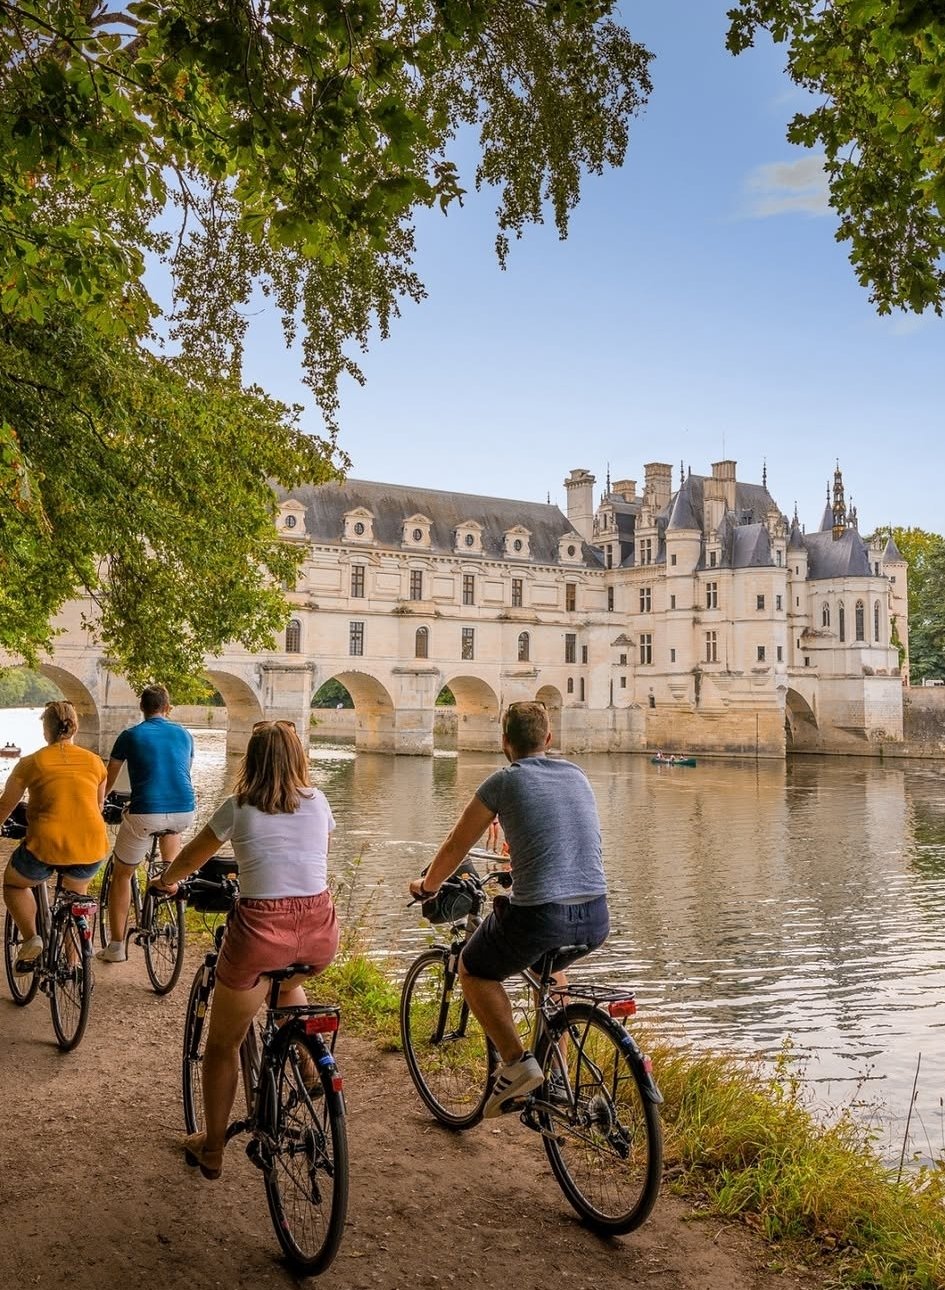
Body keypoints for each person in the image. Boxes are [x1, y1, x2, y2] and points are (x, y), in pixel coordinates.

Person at [151, 720, 339, 1179]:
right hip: (319, 928)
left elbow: (193, 857)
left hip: (260, 931)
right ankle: (310, 1066)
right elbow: (307, 855)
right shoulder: (320, 802)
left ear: (250, 761)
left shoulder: (238, 808)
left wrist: (166, 880)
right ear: (299, 758)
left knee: (222, 1044)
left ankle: (212, 1147)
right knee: (288, 979)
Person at [409, 700, 608, 1118]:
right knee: (550, 972)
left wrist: (428, 886)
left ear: (504, 742)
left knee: (473, 968)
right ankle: (557, 1077)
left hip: (542, 915)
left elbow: (455, 845)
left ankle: (518, 1065)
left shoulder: (503, 781)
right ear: (548, 739)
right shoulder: (577, 775)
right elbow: (565, 841)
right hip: (595, 914)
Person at [0, 701, 108, 965]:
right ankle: (72, 966)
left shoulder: (31, 763)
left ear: (46, 730)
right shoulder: (95, 762)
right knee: (75, 897)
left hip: (46, 846)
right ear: (74, 727)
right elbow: (98, 806)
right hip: (90, 846)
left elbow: (5, 805)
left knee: (14, 884)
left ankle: (31, 939)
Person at [98, 684, 196, 963]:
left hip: (145, 812)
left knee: (123, 873)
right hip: (184, 810)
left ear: (142, 708)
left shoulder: (129, 736)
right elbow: (181, 773)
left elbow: (109, 778)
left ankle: (116, 947)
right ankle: (169, 877)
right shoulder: (185, 734)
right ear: (168, 708)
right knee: (171, 827)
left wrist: (99, 804)